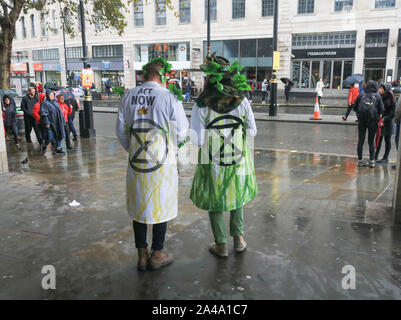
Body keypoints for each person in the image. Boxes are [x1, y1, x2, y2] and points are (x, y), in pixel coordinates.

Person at [116, 57, 189, 271]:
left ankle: (141, 255)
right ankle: (157, 254)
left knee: (139, 206)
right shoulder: (168, 97)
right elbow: (182, 132)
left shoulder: (128, 96)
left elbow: (121, 132)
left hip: (137, 163)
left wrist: (133, 150)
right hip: (161, 163)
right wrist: (172, 148)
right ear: (163, 76)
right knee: (160, 204)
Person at [190, 55, 258, 258]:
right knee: (237, 196)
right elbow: (253, 131)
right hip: (237, 160)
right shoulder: (242, 100)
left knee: (215, 199)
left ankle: (221, 244)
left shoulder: (201, 104)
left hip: (213, 160)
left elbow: (197, 139)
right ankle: (238, 239)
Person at [353, 81, 384, 168]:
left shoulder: (361, 95)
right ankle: (372, 161)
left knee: (361, 141)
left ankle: (360, 160)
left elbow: (354, 107)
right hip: (373, 121)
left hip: (362, 121)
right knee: (371, 141)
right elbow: (382, 109)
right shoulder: (377, 96)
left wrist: (359, 115)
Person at [375, 84, 396, 164]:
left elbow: (392, 112)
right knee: (378, 139)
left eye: (381, 88)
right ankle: (375, 156)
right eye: (380, 88)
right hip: (380, 121)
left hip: (388, 122)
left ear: (385, 89)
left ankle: (385, 157)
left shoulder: (391, 98)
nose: (379, 89)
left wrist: (384, 119)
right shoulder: (379, 96)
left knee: (387, 140)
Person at [40, 90, 66, 155]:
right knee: (50, 137)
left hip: (58, 122)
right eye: (50, 95)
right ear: (47, 95)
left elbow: (59, 113)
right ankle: (44, 145)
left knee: (59, 135)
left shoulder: (55, 102)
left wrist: (63, 121)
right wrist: (47, 123)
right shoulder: (45, 103)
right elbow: (44, 113)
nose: (52, 96)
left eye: (52, 95)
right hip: (50, 123)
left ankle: (58, 148)